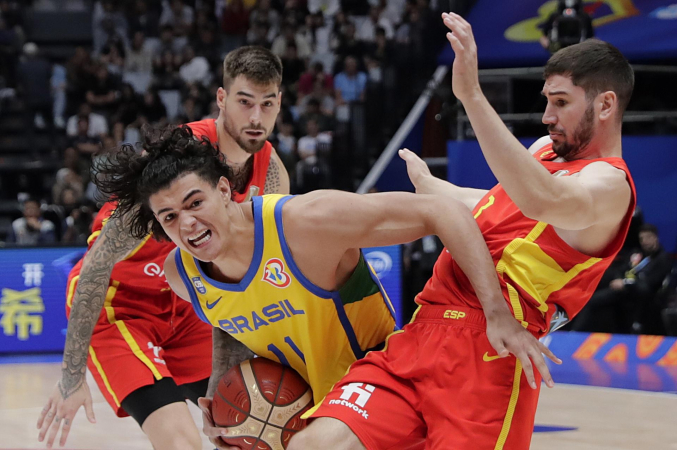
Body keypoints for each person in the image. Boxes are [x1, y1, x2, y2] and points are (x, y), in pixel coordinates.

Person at [290, 13, 636, 450]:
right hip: (423, 330)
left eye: (561, 102)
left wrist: (471, 95)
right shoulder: (544, 151)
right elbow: (498, 203)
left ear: (605, 105)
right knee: (313, 445)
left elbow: (541, 200)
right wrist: (437, 190)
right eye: (547, 100)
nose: (547, 115)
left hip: (493, 347)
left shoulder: (610, 185)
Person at [91, 123, 545, 450]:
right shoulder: (182, 273)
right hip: (318, 413)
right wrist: (223, 394)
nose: (187, 224)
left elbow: (442, 213)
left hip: (394, 383)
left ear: (226, 191)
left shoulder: (306, 222)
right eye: (169, 217)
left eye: (195, 202)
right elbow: (226, 320)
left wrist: (495, 309)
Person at [36, 46, 290, 450]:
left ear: (280, 104)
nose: (256, 117)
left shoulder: (272, 178)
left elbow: (238, 289)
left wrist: (219, 396)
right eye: (245, 102)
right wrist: (71, 377)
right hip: (121, 307)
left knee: (251, 430)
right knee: (182, 443)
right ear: (222, 100)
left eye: (267, 103)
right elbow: (96, 267)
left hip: (189, 310)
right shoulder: (178, 160)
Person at [574, 224, 673, 334]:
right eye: (642, 238)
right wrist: (619, 279)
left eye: (648, 237)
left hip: (643, 296)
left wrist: (625, 283)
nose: (645, 241)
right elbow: (622, 269)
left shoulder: (663, 259)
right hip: (623, 291)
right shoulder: (637, 254)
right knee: (594, 296)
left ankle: (575, 334)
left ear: (655, 237)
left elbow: (650, 283)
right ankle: (576, 334)